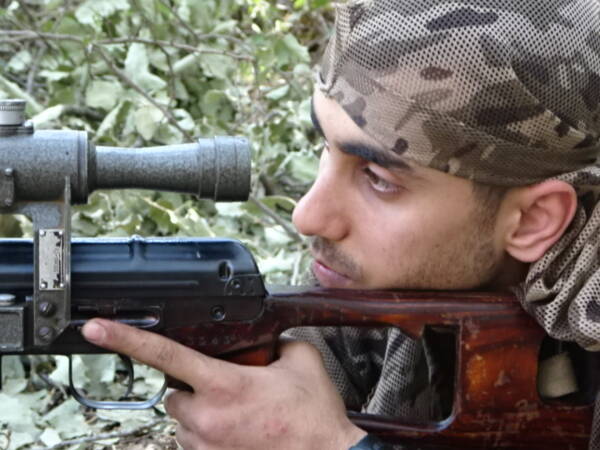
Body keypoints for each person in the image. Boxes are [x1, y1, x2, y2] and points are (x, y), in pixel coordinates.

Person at [81, 0, 600, 448]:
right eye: (324, 148)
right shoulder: (381, 301)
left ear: (533, 220)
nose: (307, 215)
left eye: (377, 178)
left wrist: (330, 445)